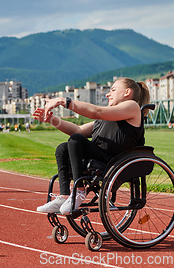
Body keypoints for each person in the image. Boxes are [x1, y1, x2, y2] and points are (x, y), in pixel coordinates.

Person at [33, 78, 149, 215]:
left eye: (113, 90)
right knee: (63, 149)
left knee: (76, 140)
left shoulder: (132, 107)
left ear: (127, 92)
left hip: (114, 161)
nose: (107, 94)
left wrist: (63, 101)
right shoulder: (108, 115)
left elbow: (96, 111)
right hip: (102, 157)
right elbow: (78, 130)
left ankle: (79, 192)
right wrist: (51, 119)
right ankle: (64, 196)